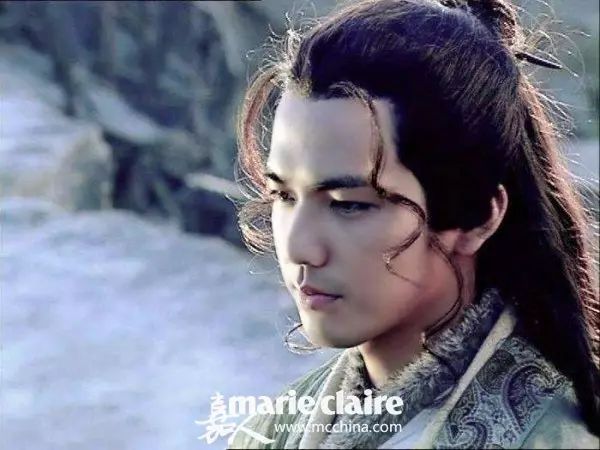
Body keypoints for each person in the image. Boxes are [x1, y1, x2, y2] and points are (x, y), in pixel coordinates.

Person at [230, 0, 600, 448]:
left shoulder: (555, 438)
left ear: (477, 216)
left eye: (349, 205)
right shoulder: (271, 431)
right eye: (284, 196)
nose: (298, 248)